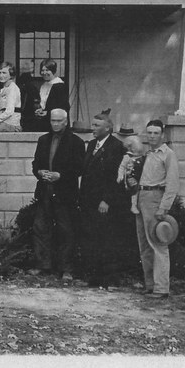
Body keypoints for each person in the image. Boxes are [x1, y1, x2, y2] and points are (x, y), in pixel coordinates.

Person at [29, 108, 85, 279]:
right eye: (53, 120)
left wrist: (60, 175)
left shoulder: (76, 142)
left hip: (65, 192)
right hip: (45, 191)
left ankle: (66, 268)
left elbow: (79, 167)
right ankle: (43, 265)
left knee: (66, 231)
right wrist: (40, 172)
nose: (55, 124)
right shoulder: (43, 140)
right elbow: (35, 163)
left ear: (66, 122)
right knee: (40, 228)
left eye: (59, 121)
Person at [79, 109, 127, 287]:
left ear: (107, 128)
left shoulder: (116, 147)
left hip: (104, 202)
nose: (93, 128)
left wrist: (107, 200)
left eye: (97, 125)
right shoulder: (92, 144)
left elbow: (116, 177)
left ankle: (109, 278)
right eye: (93, 125)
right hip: (89, 200)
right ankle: (94, 276)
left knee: (106, 238)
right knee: (91, 237)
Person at [134, 119, 180, 299]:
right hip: (141, 197)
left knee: (158, 243)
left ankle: (161, 288)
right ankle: (150, 285)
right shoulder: (147, 153)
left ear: (162, 135)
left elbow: (172, 184)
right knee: (144, 245)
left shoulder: (168, 154)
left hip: (155, 198)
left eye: (156, 133)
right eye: (149, 133)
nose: (152, 136)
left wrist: (164, 207)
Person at [26, 59, 69, 133]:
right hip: (46, 120)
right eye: (42, 70)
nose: (44, 73)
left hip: (56, 122)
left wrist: (47, 112)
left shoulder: (59, 86)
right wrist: (41, 110)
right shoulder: (44, 85)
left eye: (47, 70)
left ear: (53, 71)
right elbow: (44, 103)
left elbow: (62, 107)